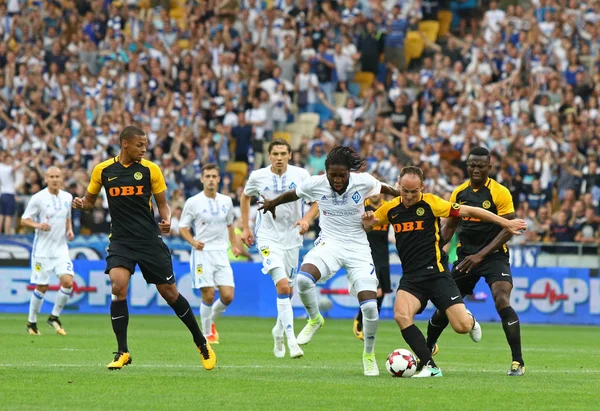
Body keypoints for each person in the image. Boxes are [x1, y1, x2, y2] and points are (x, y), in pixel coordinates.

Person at [72, 125, 215, 371]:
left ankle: (201, 343)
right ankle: (122, 351)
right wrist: (81, 203)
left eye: (145, 144)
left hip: (149, 240)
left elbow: (163, 204)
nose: (144, 149)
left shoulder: (151, 170)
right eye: (140, 144)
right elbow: (90, 202)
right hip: (121, 240)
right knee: (118, 286)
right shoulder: (103, 170)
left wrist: (166, 219)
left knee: (170, 293)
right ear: (125, 144)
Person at [362, 166, 527, 378]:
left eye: (414, 191)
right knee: (401, 315)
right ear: (398, 186)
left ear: (422, 187)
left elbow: (471, 211)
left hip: (437, 274)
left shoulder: (432, 203)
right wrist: (367, 224)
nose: (410, 195)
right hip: (411, 278)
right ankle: (431, 367)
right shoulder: (390, 209)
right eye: (405, 190)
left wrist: (506, 222)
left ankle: (470, 320)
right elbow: (370, 224)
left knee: (461, 327)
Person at [258, 146, 401, 376]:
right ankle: (315, 319)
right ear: (325, 172)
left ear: (349, 173)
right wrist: (273, 203)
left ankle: (369, 355)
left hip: (357, 247)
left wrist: (407, 196)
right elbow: (292, 195)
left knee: (370, 307)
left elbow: (385, 188)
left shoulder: (362, 181)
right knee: (303, 280)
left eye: (341, 175)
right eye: (332, 175)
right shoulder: (316, 184)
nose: (337, 179)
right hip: (330, 244)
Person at [425, 147, 526, 376]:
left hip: (494, 256)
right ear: (467, 166)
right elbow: (450, 226)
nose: (476, 169)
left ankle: (518, 361)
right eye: (472, 165)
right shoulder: (459, 192)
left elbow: (508, 228)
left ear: (489, 167)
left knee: (502, 300)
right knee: (444, 306)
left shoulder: (500, 193)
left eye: (481, 165)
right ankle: (427, 348)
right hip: (465, 257)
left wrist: (481, 255)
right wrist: (436, 246)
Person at [240, 138, 317, 359]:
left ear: (290, 155)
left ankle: (278, 331)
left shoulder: (301, 175)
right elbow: (245, 197)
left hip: (292, 239)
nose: (279, 158)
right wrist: (245, 227)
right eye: (275, 154)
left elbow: (318, 200)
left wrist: (306, 220)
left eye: (284, 153)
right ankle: (292, 342)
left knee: (289, 291)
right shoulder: (258, 176)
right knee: (283, 287)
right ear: (269, 155)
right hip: (267, 238)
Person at [179, 163, 242, 345]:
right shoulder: (193, 202)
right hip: (202, 252)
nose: (211, 180)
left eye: (214, 176)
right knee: (207, 295)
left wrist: (235, 245)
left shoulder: (226, 201)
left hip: (221, 252)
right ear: (202, 179)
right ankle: (206, 335)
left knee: (228, 296)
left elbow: (230, 225)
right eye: (208, 176)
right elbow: (183, 227)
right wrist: (192, 241)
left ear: (219, 179)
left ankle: (209, 321)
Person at [21, 167, 74, 336]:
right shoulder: (38, 198)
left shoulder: (67, 197)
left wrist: (70, 229)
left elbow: (68, 216)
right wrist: (38, 225)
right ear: (46, 179)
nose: (55, 179)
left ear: (62, 178)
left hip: (61, 249)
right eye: (51, 177)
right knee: (42, 286)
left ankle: (54, 317)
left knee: (68, 282)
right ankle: (31, 322)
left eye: (58, 176)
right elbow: (24, 220)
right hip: (42, 251)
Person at [353, 193, 392, 341]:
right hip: (367, 253)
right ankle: (360, 320)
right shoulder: (362, 207)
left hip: (383, 255)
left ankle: (370, 321)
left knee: (383, 292)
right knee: (377, 291)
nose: (376, 194)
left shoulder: (387, 207)